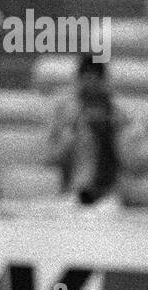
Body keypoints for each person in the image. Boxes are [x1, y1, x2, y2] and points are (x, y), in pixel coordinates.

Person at [49, 55, 122, 205]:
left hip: (106, 195)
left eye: (95, 79)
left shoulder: (116, 113)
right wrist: (71, 132)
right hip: (74, 191)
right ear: (79, 79)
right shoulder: (66, 111)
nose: (91, 84)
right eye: (87, 79)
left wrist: (110, 129)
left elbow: (126, 158)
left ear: (102, 81)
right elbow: (52, 156)